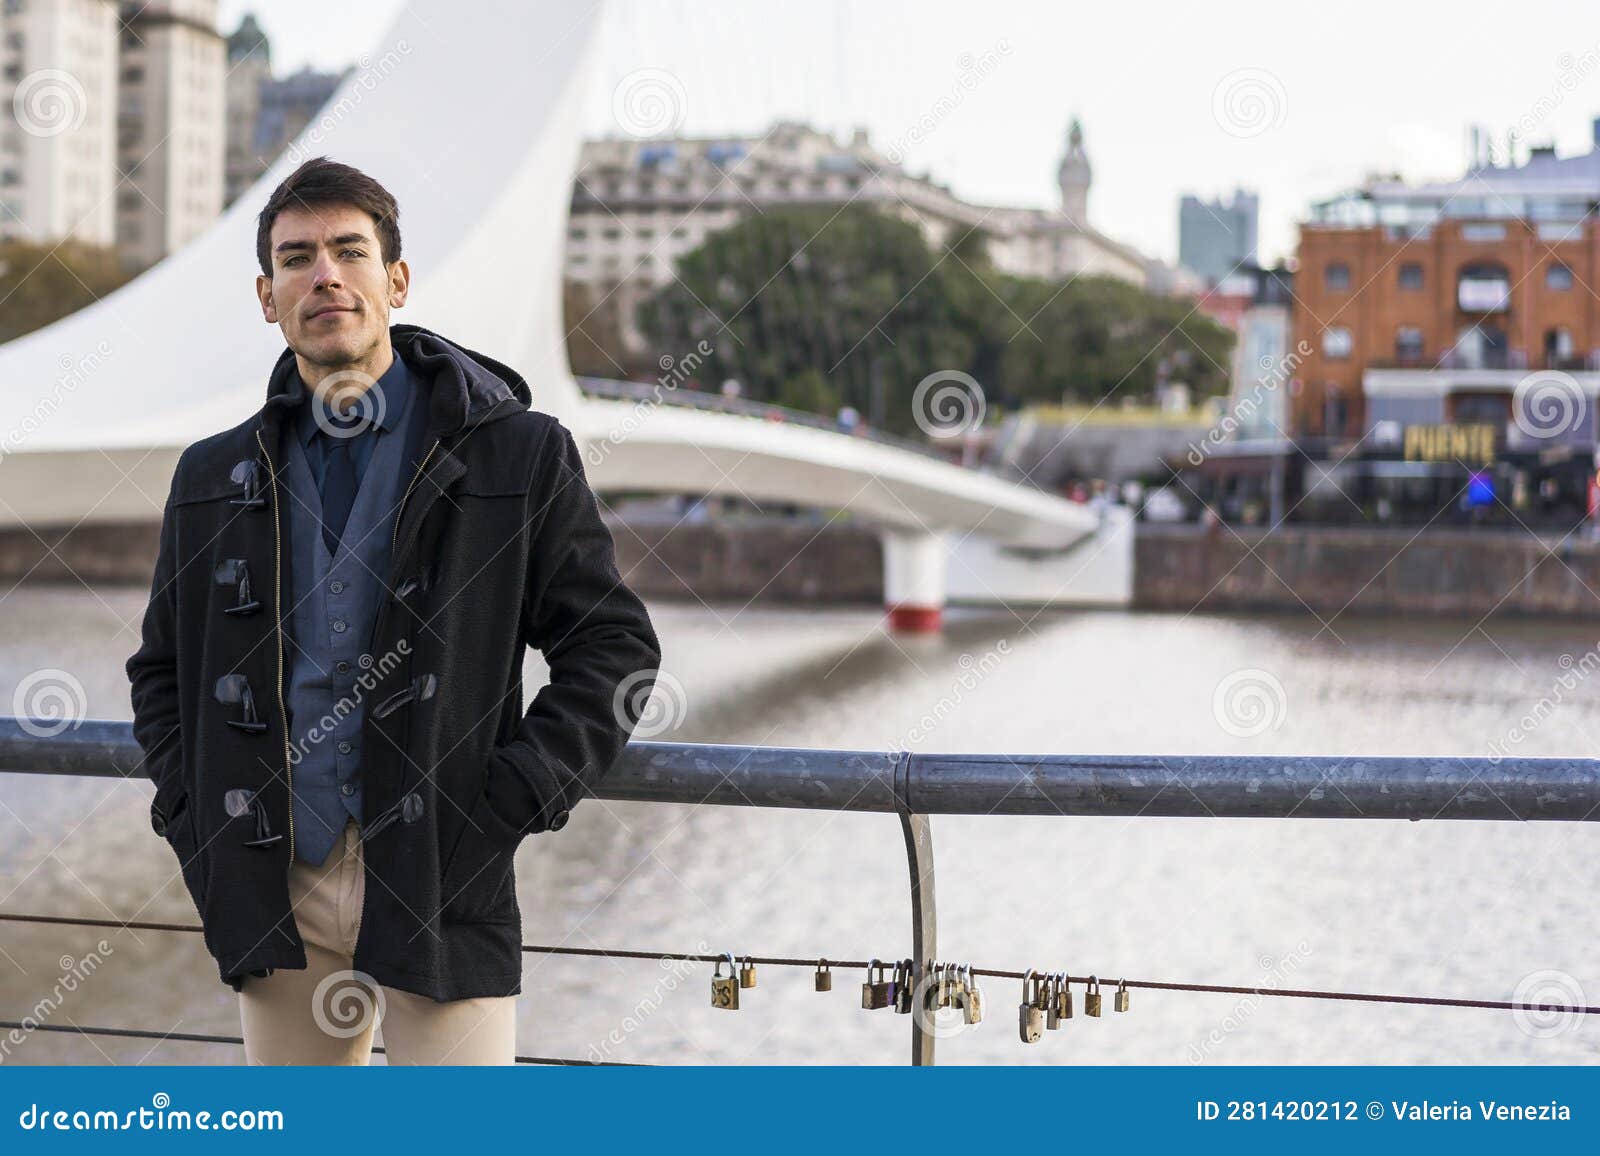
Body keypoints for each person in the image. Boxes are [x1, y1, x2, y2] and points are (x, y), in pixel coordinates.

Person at [124, 157, 662, 1065]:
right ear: (268, 296)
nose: (324, 275)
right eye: (297, 258)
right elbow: (161, 674)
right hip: (270, 886)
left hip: (445, 881)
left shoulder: (517, 455)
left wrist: (507, 805)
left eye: (349, 250)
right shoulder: (210, 477)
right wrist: (195, 823)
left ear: (395, 280)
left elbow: (614, 650)